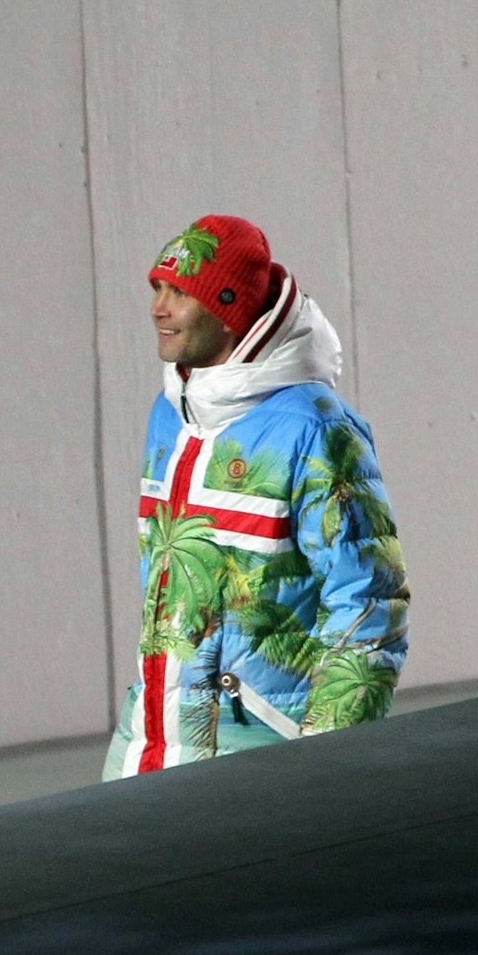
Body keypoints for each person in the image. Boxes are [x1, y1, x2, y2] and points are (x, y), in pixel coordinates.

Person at [104, 214, 409, 778]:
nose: (158, 308)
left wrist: (328, 758)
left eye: (180, 292)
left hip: (267, 741)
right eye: (157, 288)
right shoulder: (170, 415)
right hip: (150, 731)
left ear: (229, 308)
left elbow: (369, 603)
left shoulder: (317, 427)